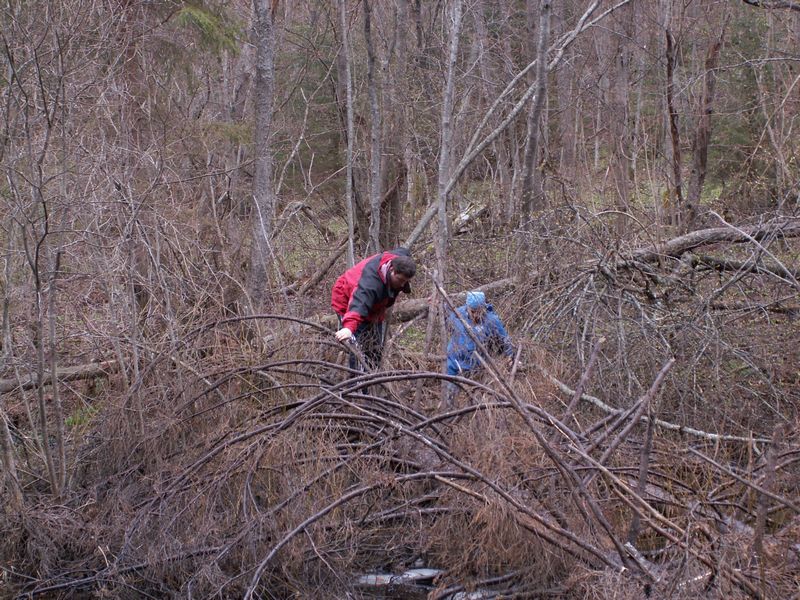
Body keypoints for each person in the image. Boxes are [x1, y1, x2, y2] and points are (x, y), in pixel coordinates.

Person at [331, 247, 416, 371]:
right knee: (357, 348)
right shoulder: (370, 283)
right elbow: (358, 304)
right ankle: (356, 385)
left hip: (374, 308)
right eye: (400, 280)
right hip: (347, 300)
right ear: (392, 269)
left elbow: (403, 251)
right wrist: (348, 328)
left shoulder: (399, 260)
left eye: (405, 281)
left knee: (374, 350)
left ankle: (372, 381)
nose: (402, 285)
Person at [445, 290, 514, 404]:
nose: (476, 315)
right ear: (467, 307)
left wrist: (510, 356)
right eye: (473, 311)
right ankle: (448, 415)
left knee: (475, 402)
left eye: (479, 311)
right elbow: (447, 323)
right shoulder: (457, 314)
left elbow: (504, 339)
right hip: (454, 364)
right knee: (449, 397)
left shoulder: (491, 320)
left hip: (476, 367)